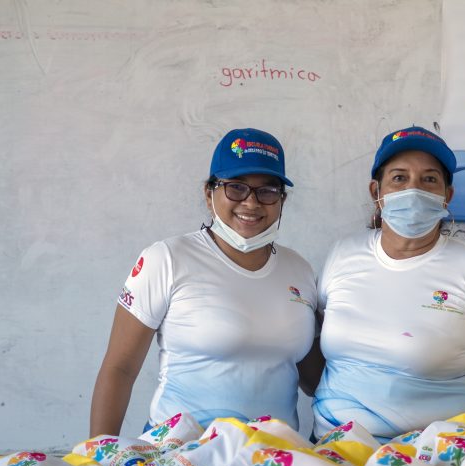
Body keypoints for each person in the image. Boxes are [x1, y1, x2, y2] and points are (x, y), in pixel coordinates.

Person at [90, 128, 318, 441]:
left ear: (282, 200)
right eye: (236, 187)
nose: (251, 202)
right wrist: (98, 455)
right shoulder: (167, 259)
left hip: (271, 458)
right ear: (209, 193)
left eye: (267, 190)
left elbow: (313, 378)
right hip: (178, 455)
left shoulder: (300, 270)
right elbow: (120, 368)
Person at [311, 127, 465, 442]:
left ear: (447, 196)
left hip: (436, 458)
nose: (413, 190)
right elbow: (317, 349)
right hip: (334, 450)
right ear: (376, 191)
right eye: (399, 178)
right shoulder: (342, 254)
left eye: (429, 179)